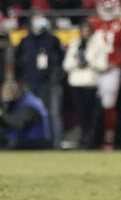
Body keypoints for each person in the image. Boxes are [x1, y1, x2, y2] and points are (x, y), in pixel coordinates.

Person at [89, 0, 121, 149]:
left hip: (110, 70)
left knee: (109, 105)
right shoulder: (93, 23)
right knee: (89, 104)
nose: (107, 10)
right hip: (92, 69)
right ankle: (90, 138)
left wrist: (115, 63)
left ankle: (108, 139)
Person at [14, 14, 64, 149]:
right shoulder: (25, 41)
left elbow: (61, 58)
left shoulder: (52, 39)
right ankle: (30, 142)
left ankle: (55, 142)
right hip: (29, 82)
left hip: (49, 82)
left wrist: (57, 74)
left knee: (52, 112)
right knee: (28, 112)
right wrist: (20, 78)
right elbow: (17, 61)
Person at [62, 19, 108, 149]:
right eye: (83, 30)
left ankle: (91, 139)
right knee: (80, 114)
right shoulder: (75, 45)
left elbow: (103, 65)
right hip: (76, 83)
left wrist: (90, 63)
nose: (85, 33)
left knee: (91, 115)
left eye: (87, 30)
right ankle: (83, 138)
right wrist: (76, 64)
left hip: (90, 83)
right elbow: (66, 65)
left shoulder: (98, 45)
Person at [0, 80, 51, 149]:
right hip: (29, 140)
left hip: (35, 142)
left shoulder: (30, 104)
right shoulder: (25, 100)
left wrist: (2, 115)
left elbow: (19, 123)